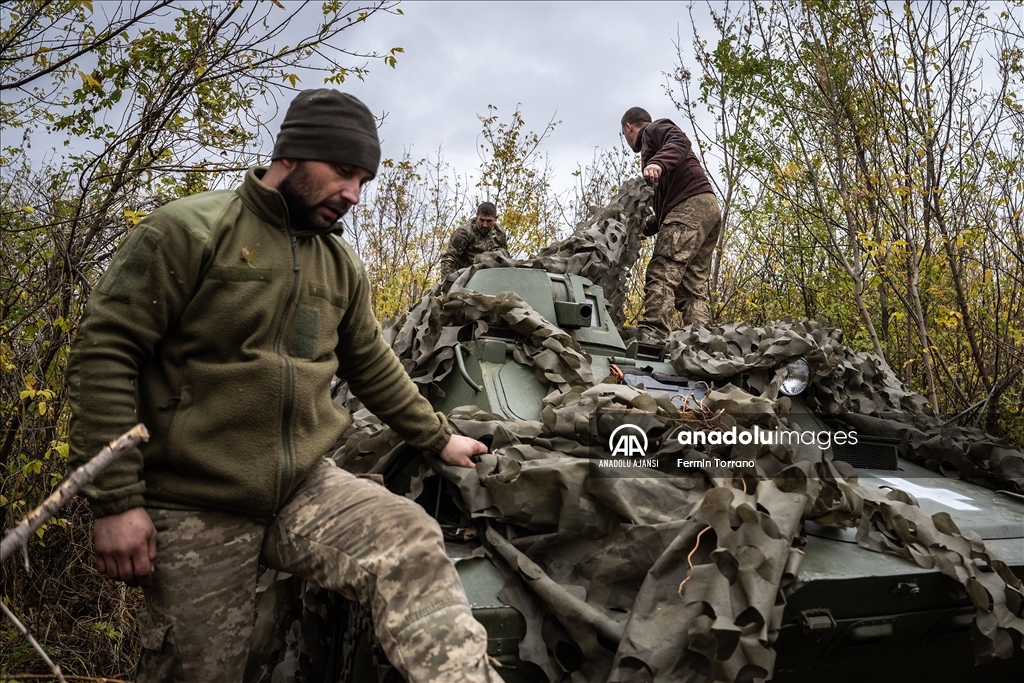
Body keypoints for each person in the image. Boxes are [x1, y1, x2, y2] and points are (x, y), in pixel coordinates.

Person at [66, 89, 499, 682]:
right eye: (343, 172)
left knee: (410, 542)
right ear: (291, 155)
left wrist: (439, 437)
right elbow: (105, 353)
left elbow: (369, 361)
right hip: (196, 501)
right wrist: (115, 501)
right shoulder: (190, 230)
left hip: (303, 486)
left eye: (364, 180)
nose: (352, 194)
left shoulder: (339, 263)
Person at [620, 106, 721, 337]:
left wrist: (657, 163)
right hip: (706, 209)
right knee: (690, 287)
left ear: (629, 127)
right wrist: (642, 228)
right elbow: (667, 212)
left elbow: (679, 140)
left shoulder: (654, 129)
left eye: (624, 134)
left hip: (690, 206)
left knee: (662, 270)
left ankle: (654, 332)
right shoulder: (657, 152)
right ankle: (701, 340)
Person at [437, 201, 508, 280]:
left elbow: (505, 258)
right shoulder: (464, 232)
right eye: (481, 220)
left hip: (490, 277)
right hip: (465, 277)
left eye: (489, 221)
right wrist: (446, 284)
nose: (484, 224)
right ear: (477, 216)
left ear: (495, 218)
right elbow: (449, 257)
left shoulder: (500, 233)